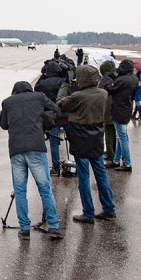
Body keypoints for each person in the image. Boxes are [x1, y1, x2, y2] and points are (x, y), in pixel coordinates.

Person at [0, 81, 64, 239]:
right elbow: (57, 110)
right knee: (44, 189)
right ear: (30, 88)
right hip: (36, 147)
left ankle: (25, 229)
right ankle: (53, 226)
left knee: (20, 191)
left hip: (16, 150)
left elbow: (3, 124)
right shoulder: (39, 97)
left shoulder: (7, 102)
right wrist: (41, 118)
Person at [56, 64, 116, 223]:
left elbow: (60, 103)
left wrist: (66, 85)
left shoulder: (78, 96)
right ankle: (109, 208)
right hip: (96, 136)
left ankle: (88, 212)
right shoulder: (102, 93)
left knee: (84, 176)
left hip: (80, 137)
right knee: (100, 173)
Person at [104, 59, 139, 172]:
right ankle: (116, 160)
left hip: (118, 110)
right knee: (120, 136)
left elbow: (109, 89)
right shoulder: (134, 79)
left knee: (122, 137)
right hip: (127, 109)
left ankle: (127, 163)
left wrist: (107, 80)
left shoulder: (121, 80)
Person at [34, 59, 67, 175]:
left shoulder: (43, 83)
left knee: (54, 142)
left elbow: (36, 88)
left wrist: (43, 75)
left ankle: (56, 167)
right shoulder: (63, 81)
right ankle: (76, 165)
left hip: (52, 116)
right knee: (72, 140)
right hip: (66, 114)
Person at [98, 60, 117, 165]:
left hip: (107, 109)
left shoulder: (105, 81)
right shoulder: (116, 78)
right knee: (115, 133)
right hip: (116, 109)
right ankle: (114, 152)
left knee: (108, 132)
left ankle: (111, 153)